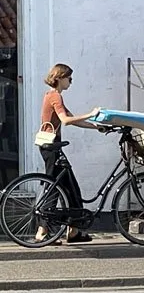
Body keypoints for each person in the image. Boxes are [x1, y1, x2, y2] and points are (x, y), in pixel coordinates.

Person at [35, 64, 101, 244]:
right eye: (69, 78)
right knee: (54, 189)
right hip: (52, 147)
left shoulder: (52, 96)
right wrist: (91, 113)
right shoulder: (55, 96)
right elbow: (65, 120)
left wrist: (97, 127)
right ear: (60, 77)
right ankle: (42, 232)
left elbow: (73, 119)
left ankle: (73, 231)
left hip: (50, 147)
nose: (71, 82)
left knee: (69, 188)